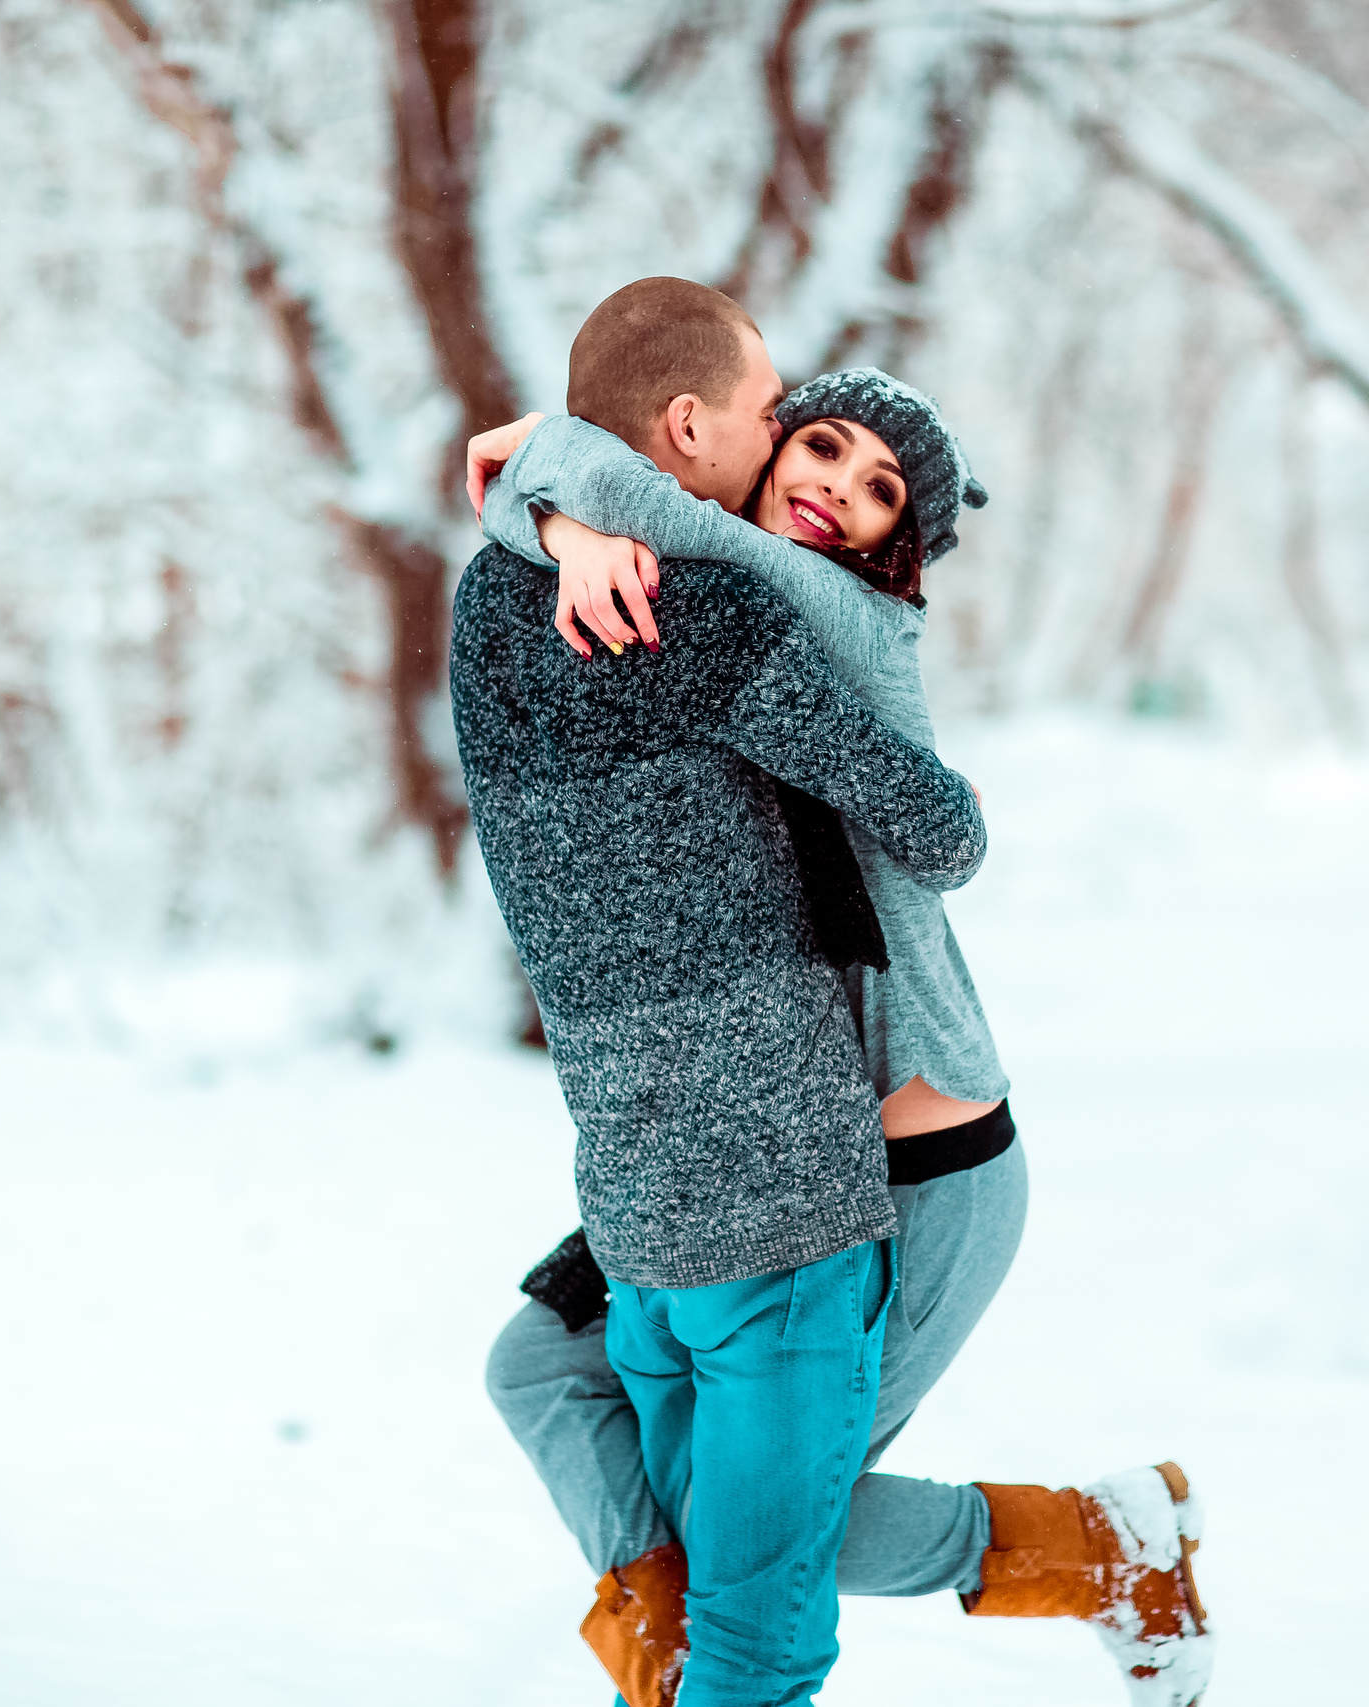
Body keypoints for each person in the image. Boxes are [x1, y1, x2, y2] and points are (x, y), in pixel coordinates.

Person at [456, 278, 1213, 1706]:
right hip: (756, 1139)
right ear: (748, 439)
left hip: (925, 1164)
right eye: (810, 445)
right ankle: (1097, 1547)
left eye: (880, 495)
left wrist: (551, 478)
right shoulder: (669, 586)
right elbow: (654, 526)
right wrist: (557, 503)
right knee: (702, 1481)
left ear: (894, 549)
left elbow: (674, 532)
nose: (833, 493)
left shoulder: (827, 615)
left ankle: (1106, 1556)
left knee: (775, 1532)